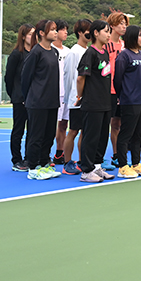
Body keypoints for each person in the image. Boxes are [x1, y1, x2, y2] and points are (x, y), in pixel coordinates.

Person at [21, 20, 62, 180]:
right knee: (36, 136)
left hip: (52, 101)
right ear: (41, 33)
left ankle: (44, 164)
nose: (55, 32)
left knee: (49, 134)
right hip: (37, 102)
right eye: (52, 30)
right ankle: (32, 167)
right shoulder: (35, 52)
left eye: (55, 29)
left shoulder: (54, 52)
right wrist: (28, 97)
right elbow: (26, 78)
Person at [76, 20, 116, 183]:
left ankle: (97, 166)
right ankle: (86, 171)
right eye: (105, 31)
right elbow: (80, 78)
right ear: (96, 33)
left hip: (105, 102)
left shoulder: (105, 53)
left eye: (109, 31)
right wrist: (81, 96)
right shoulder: (90, 54)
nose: (108, 34)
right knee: (90, 137)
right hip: (92, 103)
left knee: (101, 137)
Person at [114, 25, 141, 178]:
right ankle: (123, 166)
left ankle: (136, 164)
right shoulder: (124, 56)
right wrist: (123, 95)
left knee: (138, 135)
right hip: (130, 101)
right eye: (139, 35)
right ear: (131, 37)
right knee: (126, 134)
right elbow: (118, 79)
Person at [61, 19, 92, 174]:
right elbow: (69, 76)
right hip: (76, 98)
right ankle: (67, 162)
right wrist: (70, 98)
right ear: (80, 32)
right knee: (73, 130)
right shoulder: (74, 52)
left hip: (88, 98)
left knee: (85, 131)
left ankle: (81, 160)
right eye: (87, 31)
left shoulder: (89, 50)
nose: (90, 34)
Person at [5, 24, 34, 172]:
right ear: (23, 36)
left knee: (32, 130)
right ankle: (16, 159)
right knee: (18, 129)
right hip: (19, 99)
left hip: (33, 99)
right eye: (29, 34)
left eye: (34, 34)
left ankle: (29, 158)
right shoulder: (17, 54)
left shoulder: (35, 53)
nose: (32, 37)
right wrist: (15, 95)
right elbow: (8, 77)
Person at [105, 11, 129, 169]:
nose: (124, 26)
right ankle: (111, 155)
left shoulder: (125, 45)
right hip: (108, 91)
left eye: (125, 23)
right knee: (110, 123)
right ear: (112, 25)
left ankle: (120, 154)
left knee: (121, 124)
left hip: (124, 90)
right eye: (121, 23)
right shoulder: (105, 44)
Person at [51, 20, 70, 165]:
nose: (66, 33)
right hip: (54, 93)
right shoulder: (49, 49)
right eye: (63, 30)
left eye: (66, 30)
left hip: (67, 93)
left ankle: (59, 153)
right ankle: (45, 154)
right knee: (53, 124)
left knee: (64, 124)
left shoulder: (68, 51)